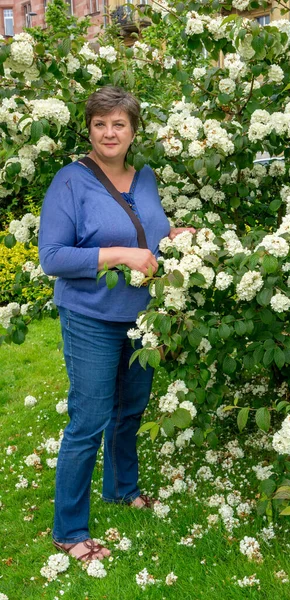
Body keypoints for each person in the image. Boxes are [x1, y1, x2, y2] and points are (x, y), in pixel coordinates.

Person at [39, 86, 194, 561]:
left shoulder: (144, 177)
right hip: (91, 316)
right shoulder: (69, 181)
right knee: (89, 420)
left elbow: (149, 230)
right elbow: (53, 256)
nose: (109, 132)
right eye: (100, 124)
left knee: (130, 411)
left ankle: (122, 488)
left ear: (133, 130)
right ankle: (68, 528)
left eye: (119, 124)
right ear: (89, 129)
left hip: (143, 317)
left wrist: (176, 236)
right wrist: (119, 254)